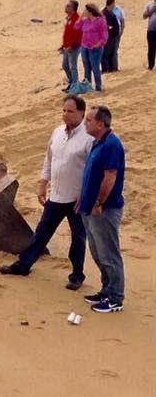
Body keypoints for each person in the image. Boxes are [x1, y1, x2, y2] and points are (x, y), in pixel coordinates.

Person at [0, 95, 93, 289]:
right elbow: (49, 159)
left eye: (70, 111)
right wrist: (43, 183)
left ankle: (77, 274)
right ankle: (23, 265)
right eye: (64, 111)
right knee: (42, 233)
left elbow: (93, 169)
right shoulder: (58, 132)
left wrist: (85, 194)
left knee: (78, 238)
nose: (65, 115)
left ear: (82, 113)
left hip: (77, 198)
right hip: (57, 194)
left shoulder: (89, 137)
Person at [79, 105, 126, 313]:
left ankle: (115, 297)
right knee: (97, 252)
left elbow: (110, 177)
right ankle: (106, 290)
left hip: (104, 209)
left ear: (101, 123)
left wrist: (99, 202)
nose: (85, 123)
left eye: (89, 120)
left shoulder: (111, 145)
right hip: (89, 207)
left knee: (109, 253)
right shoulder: (96, 142)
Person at [74, 3, 107, 92]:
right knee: (86, 67)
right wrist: (81, 18)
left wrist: (99, 43)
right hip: (84, 47)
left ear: (90, 11)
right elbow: (76, 27)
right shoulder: (85, 21)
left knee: (95, 67)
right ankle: (87, 86)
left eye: (85, 10)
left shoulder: (100, 20)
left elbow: (104, 34)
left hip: (95, 48)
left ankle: (98, 86)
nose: (84, 12)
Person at [59, 0, 82, 90]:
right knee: (65, 65)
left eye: (68, 6)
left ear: (73, 8)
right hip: (67, 46)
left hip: (74, 47)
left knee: (73, 66)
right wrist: (63, 45)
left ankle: (75, 86)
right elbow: (67, 33)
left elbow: (76, 35)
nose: (66, 7)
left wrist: (70, 46)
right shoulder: (69, 18)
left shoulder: (76, 19)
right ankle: (72, 83)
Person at [101, 0, 120, 73]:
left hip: (113, 36)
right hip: (108, 37)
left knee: (112, 52)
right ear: (112, 4)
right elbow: (103, 25)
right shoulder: (104, 13)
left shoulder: (110, 12)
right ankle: (105, 69)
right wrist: (109, 28)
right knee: (106, 53)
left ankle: (111, 68)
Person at [107, 0, 125, 71]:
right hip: (107, 34)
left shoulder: (119, 10)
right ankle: (108, 67)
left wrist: (121, 32)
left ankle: (114, 67)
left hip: (116, 33)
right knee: (107, 51)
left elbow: (122, 21)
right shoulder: (104, 9)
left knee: (115, 50)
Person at [144, 0, 156, 70]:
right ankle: (150, 66)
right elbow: (144, 16)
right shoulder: (149, 5)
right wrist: (152, 10)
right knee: (151, 48)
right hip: (151, 30)